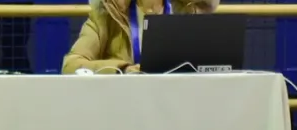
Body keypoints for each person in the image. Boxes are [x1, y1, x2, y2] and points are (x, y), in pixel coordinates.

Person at [62, 0, 217, 75]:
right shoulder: (108, 15)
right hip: (123, 109)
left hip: (175, 111)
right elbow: (71, 65)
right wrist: (123, 69)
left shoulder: (188, 11)